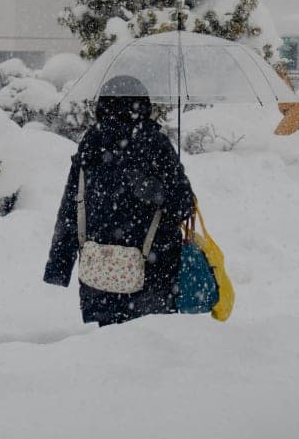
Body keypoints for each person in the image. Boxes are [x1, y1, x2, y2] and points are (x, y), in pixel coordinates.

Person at [44, 73, 195, 326]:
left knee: (106, 346)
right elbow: (183, 205)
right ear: (143, 104)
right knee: (151, 344)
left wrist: (59, 266)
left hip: (99, 275)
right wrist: (156, 192)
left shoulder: (91, 143)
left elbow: (71, 206)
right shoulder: (156, 144)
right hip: (153, 273)